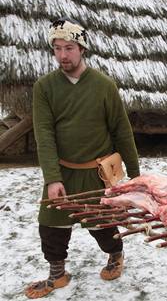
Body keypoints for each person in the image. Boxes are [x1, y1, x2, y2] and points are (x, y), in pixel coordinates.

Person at [25, 17, 140, 299]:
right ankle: (57, 274)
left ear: (82, 48)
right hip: (62, 171)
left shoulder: (104, 85)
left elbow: (122, 132)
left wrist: (137, 177)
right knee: (51, 226)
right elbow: (44, 134)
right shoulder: (45, 87)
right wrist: (52, 178)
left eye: (69, 48)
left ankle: (115, 256)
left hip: (96, 173)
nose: (63, 55)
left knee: (102, 225)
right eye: (57, 49)